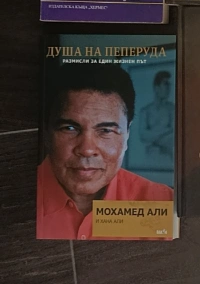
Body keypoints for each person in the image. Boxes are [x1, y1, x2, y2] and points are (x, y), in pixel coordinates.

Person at [37, 62, 172, 239]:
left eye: (106, 131)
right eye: (69, 128)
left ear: (127, 134)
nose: (87, 150)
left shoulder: (162, 202)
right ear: (46, 133)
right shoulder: (15, 198)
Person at [138, 70, 174, 163]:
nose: (169, 88)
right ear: (156, 88)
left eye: (169, 84)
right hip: (149, 158)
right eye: (165, 84)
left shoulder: (172, 109)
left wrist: (152, 136)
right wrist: (167, 130)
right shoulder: (145, 111)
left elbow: (173, 136)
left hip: (168, 157)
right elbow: (143, 136)